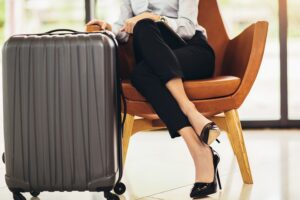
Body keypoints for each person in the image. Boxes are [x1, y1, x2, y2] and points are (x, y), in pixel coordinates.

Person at [87, 0, 222, 198]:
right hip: (152, 58)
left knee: (144, 33)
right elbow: (123, 30)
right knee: (141, 67)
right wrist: (109, 28)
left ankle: (188, 110)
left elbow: (187, 28)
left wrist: (155, 18)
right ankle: (198, 146)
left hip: (192, 52)